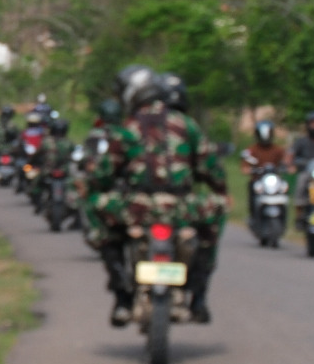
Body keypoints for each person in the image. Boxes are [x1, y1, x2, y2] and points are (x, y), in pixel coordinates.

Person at [87, 65, 229, 326]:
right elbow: (211, 168)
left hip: (137, 207)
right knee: (217, 212)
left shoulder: (126, 128)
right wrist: (221, 192)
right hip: (182, 207)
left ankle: (121, 293)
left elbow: (103, 175)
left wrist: (96, 189)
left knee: (95, 208)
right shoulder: (186, 124)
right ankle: (198, 294)